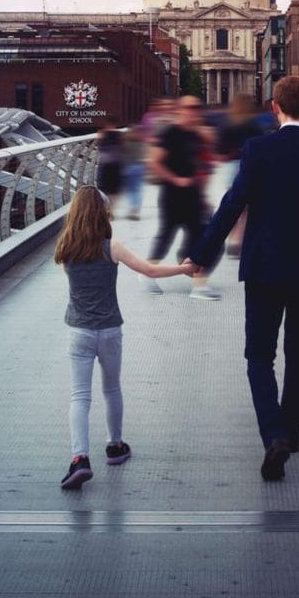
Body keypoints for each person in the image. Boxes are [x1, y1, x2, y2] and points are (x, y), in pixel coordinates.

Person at [184, 75, 299, 481]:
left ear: (274, 107)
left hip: (263, 266)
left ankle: (272, 433)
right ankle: (292, 429)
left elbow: (231, 204)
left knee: (259, 355)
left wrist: (203, 253)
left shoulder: (257, 150)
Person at [54, 186, 196, 490]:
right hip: (109, 331)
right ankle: (115, 446)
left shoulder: (66, 245)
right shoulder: (112, 247)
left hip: (78, 331)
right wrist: (183, 268)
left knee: (80, 395)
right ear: (104, 213)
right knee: (111, 388)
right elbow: (149, 270)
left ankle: (80, 458)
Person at [147, 95, 220, 300]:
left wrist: (204, 196)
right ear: (180, 110)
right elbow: (154, 162)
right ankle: (147, 272)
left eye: (197, 107)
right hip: (172, 195)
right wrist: (176, 179)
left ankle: (198, 284)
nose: (194, 111)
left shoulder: (196, 136)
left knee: (203, 238)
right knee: (166, 236)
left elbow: (201, 167)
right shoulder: (170, 133)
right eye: (190, 107)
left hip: (193, 196)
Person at [215, 96, 266, 257]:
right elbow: (260, 144)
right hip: (247, 166)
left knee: (233, 203)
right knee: (246, 207)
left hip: (230, 167)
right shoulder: (253, 124)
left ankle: (233, 237)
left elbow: (220, 149)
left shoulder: (227, 123)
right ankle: (237, 239)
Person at [94, 124, 124, 215]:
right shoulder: (119, 135)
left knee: (103, 188)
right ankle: (112, 210)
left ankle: (105, 209)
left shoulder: (102, 134)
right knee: (114, 190)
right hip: (116, 166)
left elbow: (100, 149)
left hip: (104, 166)